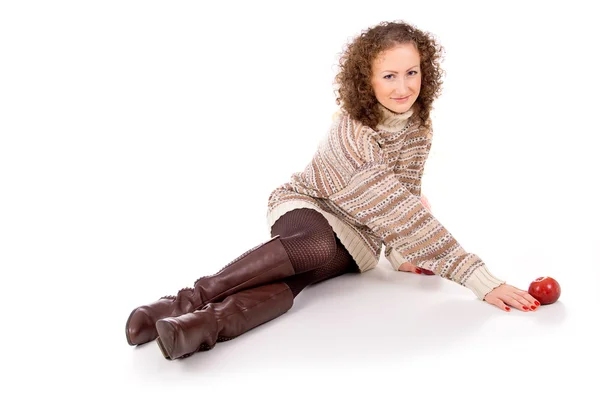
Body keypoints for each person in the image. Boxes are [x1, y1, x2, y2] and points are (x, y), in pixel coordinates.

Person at [125, 20, 541, 361]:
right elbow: (397, 209)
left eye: (412, 72)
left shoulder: (418, 127)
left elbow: (406, 192)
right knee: (318, 247)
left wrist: (401, 255)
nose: (403, 87)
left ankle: (200, 328)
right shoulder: (353, 134)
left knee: (307, 274)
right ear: (367, 81)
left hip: (360, 235)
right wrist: (477, 278)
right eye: (389, 75)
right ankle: (182, 303)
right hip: (309, 205)